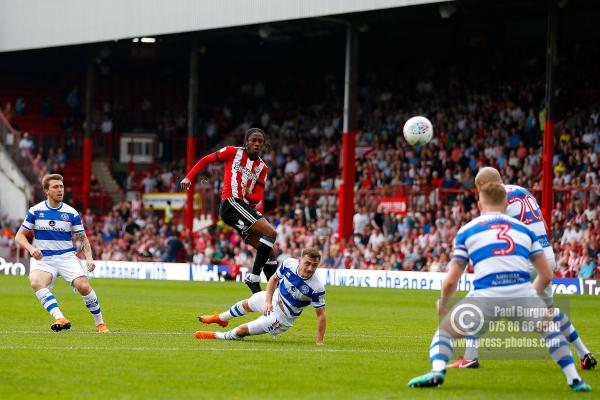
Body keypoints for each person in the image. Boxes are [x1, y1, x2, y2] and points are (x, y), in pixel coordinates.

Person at [408, 183, 591, 392]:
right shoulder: (525, 230)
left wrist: (444, 302)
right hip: (521, 293)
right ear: (505, 204)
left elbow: (452, 278)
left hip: (486, 296)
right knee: (550, 331)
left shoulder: (467, 230)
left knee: (444, 333)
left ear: (479, 204)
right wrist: (531, 296)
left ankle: (438, 370)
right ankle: (574, 380)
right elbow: (547, 274)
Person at [448, 167, 596, 370]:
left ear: (482, 186)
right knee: (549, 311)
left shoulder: (495, 198)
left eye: (477, 189)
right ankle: (584, 352)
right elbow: (543, 222)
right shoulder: (523, 191)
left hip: (523, 259)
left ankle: (470, 357)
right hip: (545, 254)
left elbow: (491, 230)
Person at [181, 128, 277, 293]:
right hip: (231, 203)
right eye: (253, 140)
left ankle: (271, 297)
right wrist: (189, 176)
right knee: (271, 233)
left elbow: (258, 197)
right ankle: (253, 277)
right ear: (247, 141)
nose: (256, 144)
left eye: (260, 141)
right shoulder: (232, 152)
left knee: (269, 252)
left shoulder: (262, 168)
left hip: (243, 209)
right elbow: (206, 160)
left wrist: (249, 195)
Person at [14, 174, 109, 333]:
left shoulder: (71, 213)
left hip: (66, 257)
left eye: (61, 187)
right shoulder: (35, 211)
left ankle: (100, 324)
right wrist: (31, 249)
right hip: (44, 258)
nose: (60, 190)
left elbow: (82, 238)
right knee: (36, 282)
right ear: (46, 191)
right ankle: (60, 318)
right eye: (55, 187)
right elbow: (19, 235)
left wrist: (89, 259)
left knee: (84, 286)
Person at [195, 248, 326, 345]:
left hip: (281, 318)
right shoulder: (289, 264)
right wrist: (268, 302)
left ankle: (216, 336)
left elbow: (321, 315)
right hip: (274, 298)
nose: (310, 268)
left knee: (241, 331)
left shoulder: (317, 287)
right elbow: (274, 279)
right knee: (248, 303)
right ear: (299, 260)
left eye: (314, 265)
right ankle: (220, 318)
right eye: (307, 263)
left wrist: (319, 342)